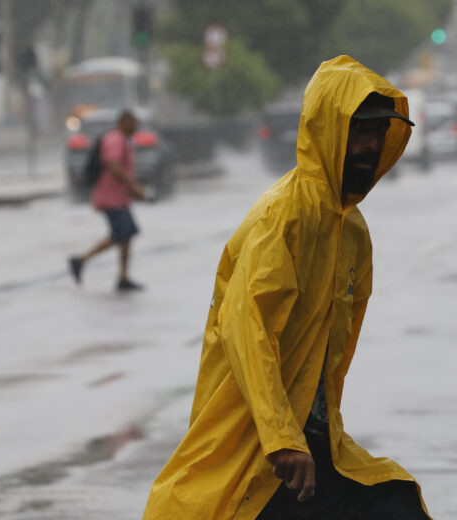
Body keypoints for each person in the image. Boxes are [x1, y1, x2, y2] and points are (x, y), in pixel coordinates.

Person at [142, 56, 430, 519]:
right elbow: (248, 329)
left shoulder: (351, 232)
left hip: (314, 443)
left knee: (397, 504)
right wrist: (280, 439)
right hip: (257, 445)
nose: (369, 146)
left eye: (378, 132)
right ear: (326, 129)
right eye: (358, 130)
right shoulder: (282, 219)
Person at [68, 110, 146, 291]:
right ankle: (81, 260)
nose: (136, 128)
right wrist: (133, 186)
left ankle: (123, 276)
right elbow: (112, 163)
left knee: (126, 235)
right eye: (134, 123)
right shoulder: (115, 139)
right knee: (120, 235)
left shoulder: (120, 138)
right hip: (110, 198)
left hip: (118, 197)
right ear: (124, 122)